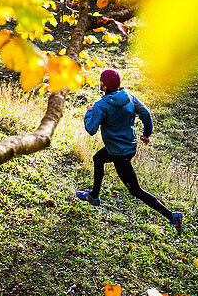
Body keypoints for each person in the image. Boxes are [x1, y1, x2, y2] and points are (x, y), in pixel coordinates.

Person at [76, 68, 184, 235]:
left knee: (135, 191)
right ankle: (94, 196)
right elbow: (146, 114)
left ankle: (172, 216)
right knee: (98, 158)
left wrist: (89, 112)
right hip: (128, 147)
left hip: (119, 154)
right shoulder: (129, 97)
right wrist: (146, 134)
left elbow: (91, 129)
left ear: (104, 86)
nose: (100, 83)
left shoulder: (101, 105)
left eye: (101, 81)